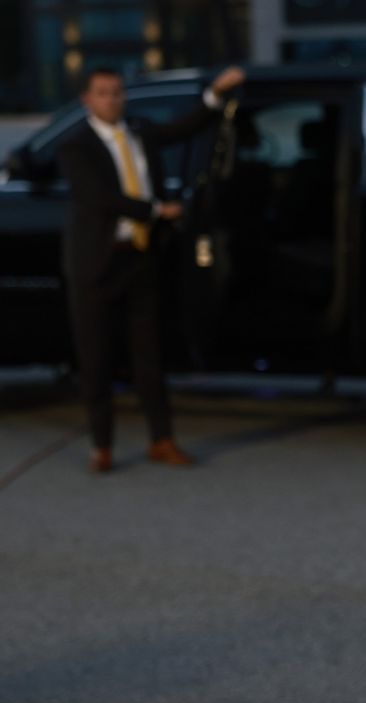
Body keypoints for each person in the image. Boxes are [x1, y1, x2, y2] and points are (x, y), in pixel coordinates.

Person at [58, 64, 245, 473]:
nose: (113, 99)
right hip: (96, 264)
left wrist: (215, 93)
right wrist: (158, 210)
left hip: (140, 260)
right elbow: (99, 197)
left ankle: (161, 439)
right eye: (104, 93)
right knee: (96, 359)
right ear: (87, 100)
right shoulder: (75, 146)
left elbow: (183, 128)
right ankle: (101, 446)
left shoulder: (139, 131)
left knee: (150, 356)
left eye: (117, 92)